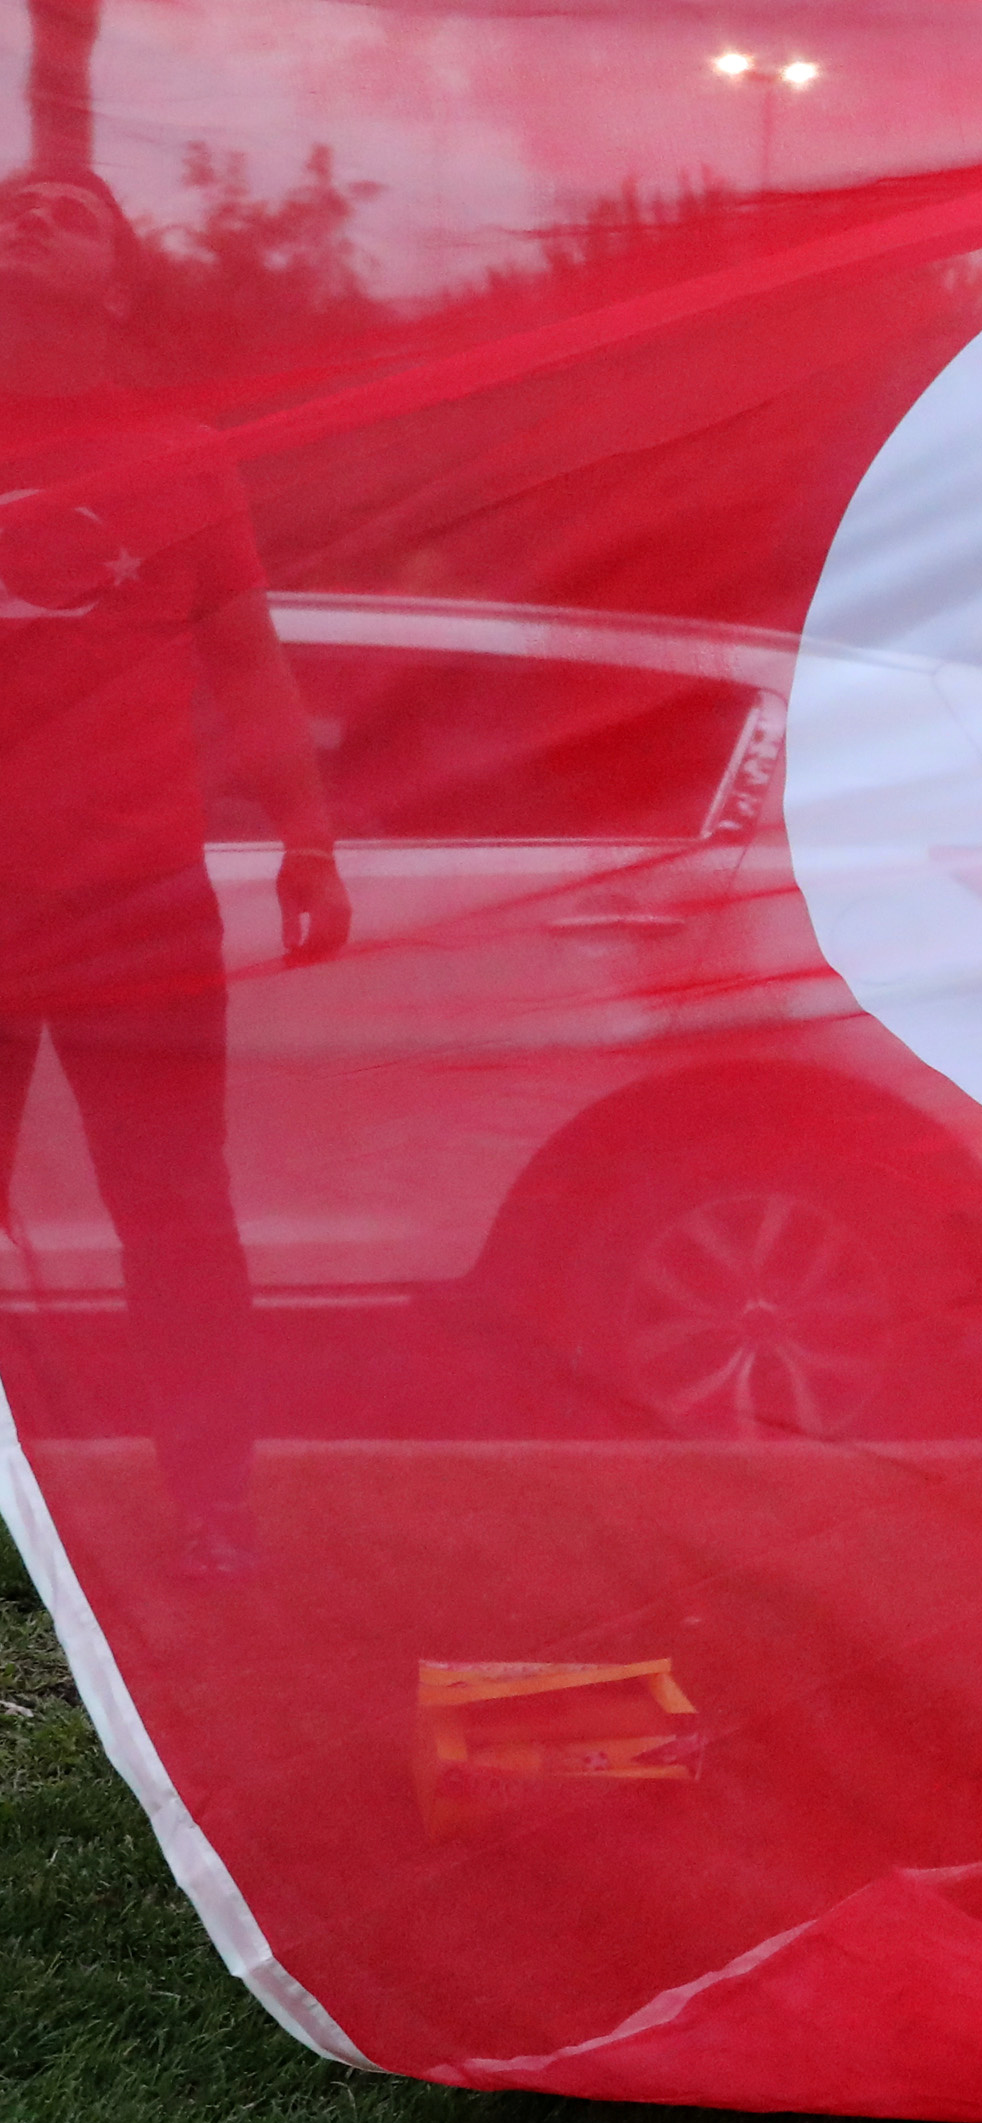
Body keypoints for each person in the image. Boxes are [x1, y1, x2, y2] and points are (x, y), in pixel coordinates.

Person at [0, 167, 349, 1580]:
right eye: (13, 202)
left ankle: (213, 1503)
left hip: (132, 897)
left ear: (118, 278)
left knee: (176, 1213)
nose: (28, 216)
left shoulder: (177, 456)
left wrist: (306, 836)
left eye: (70, 210)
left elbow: (247, 665)